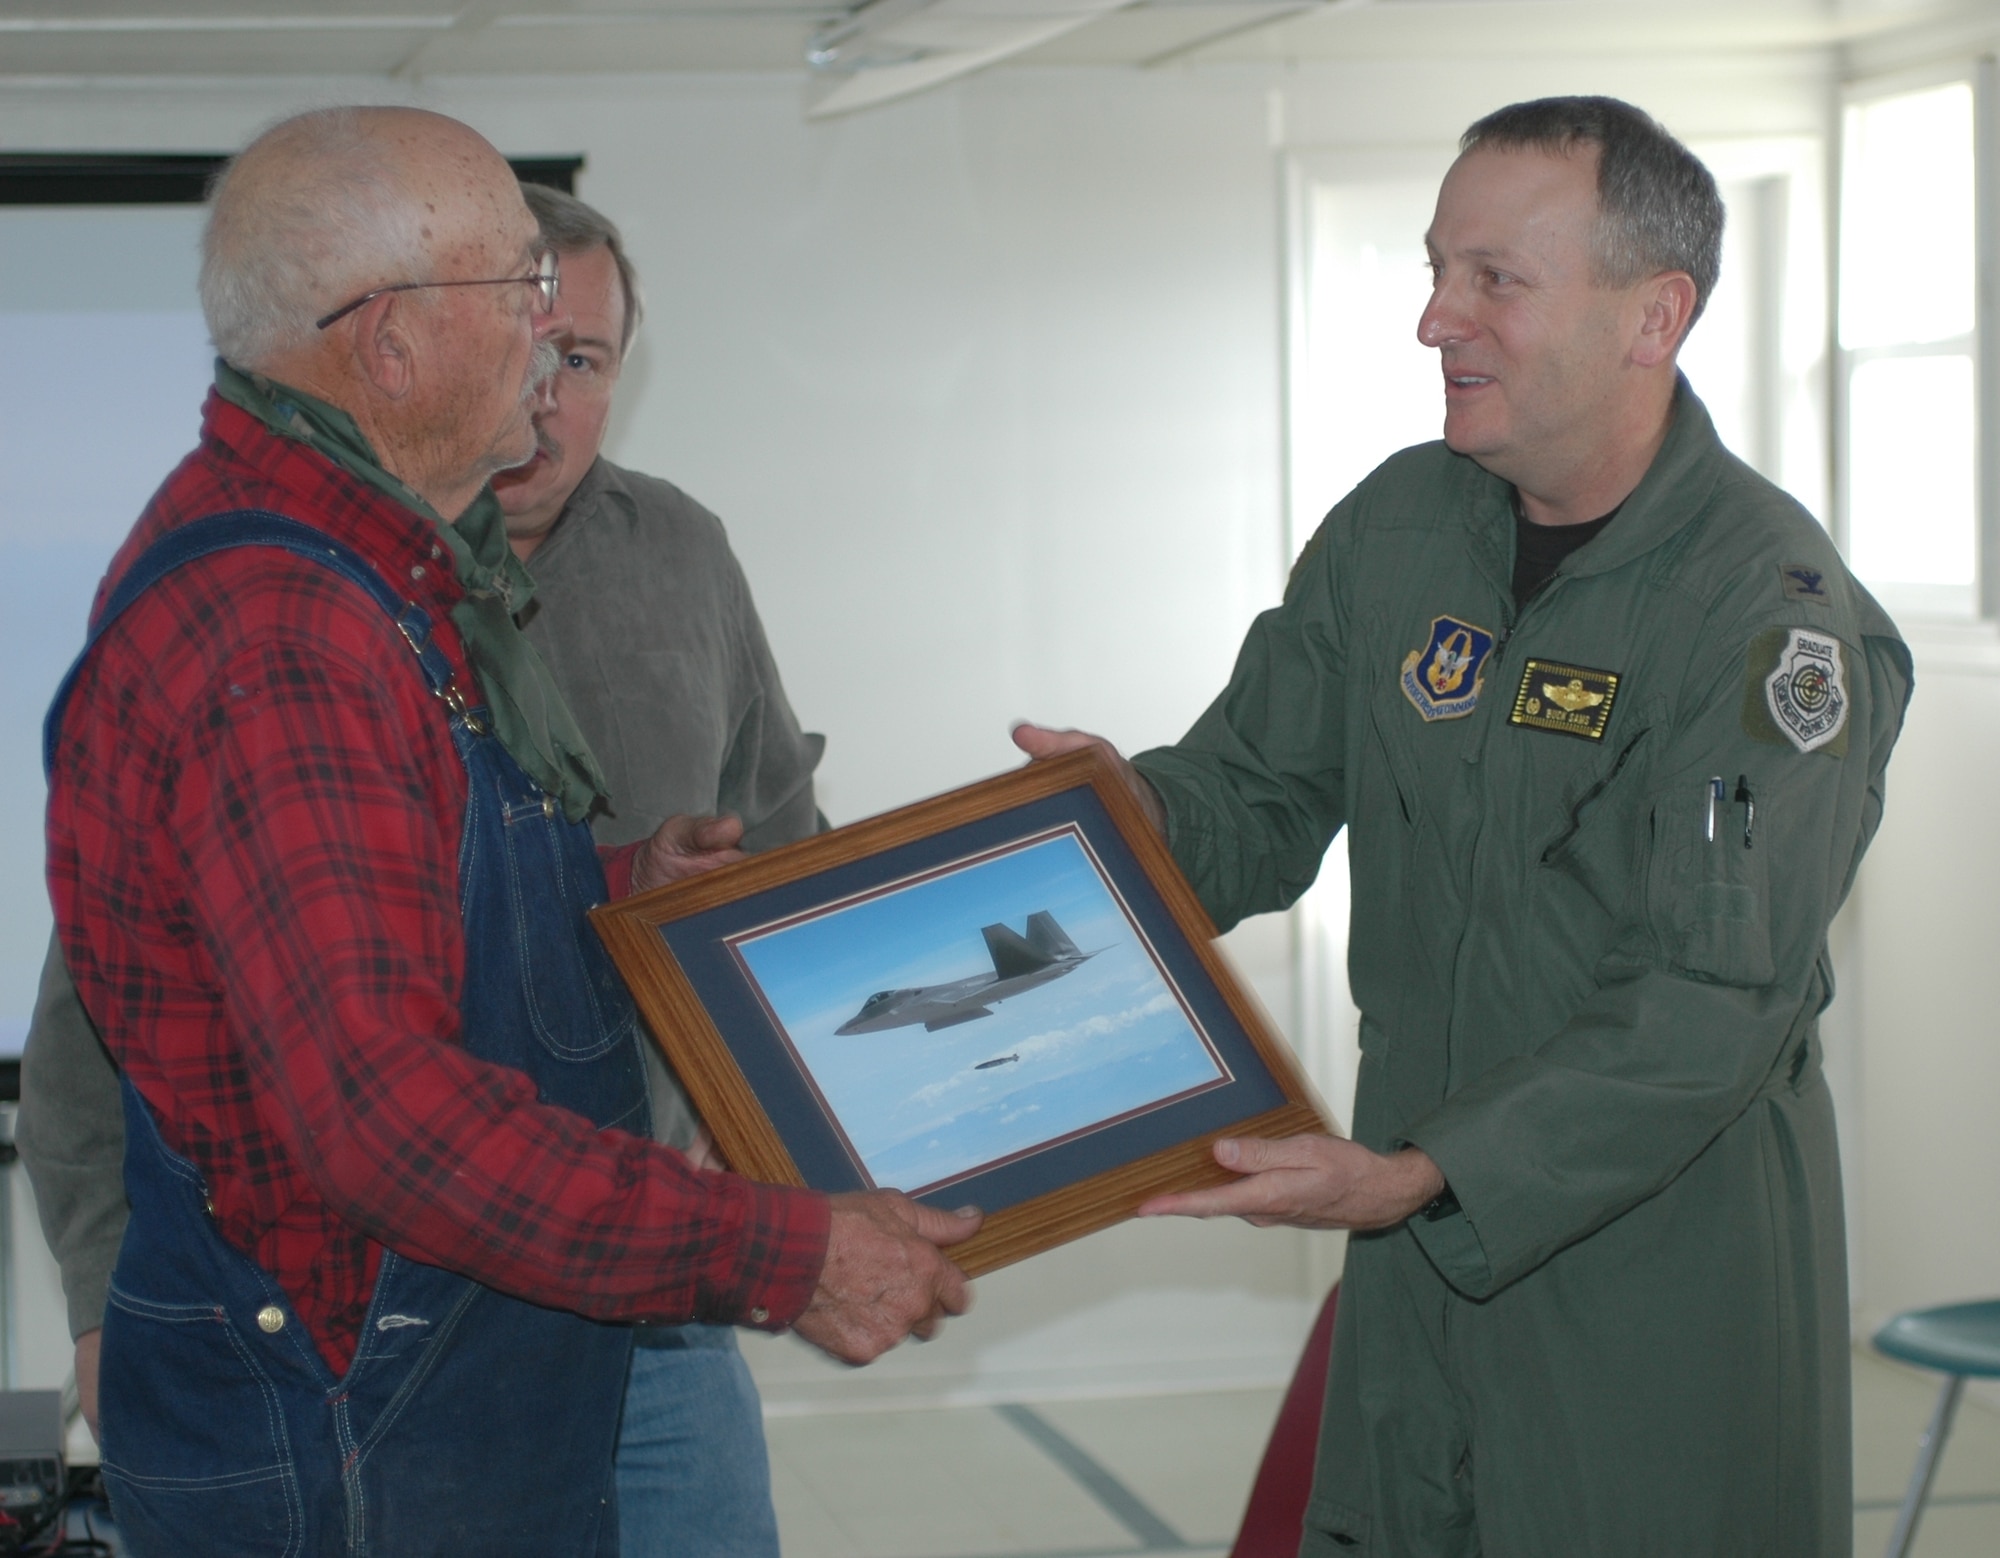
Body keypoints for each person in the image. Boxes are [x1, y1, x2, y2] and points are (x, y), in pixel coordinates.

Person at [39, 104, 976, 1557]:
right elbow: (386, 1115)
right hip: (359, 1423)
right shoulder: (287, 632)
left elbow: (418, 924)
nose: (549, 340)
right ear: (391, 341)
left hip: (439, 1374)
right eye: (518, 295)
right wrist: (781, 1252)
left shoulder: (368, 564)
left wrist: (618, 896)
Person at [1016, 96, 1909, 1556]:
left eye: (1495, 277)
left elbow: (1709, 1003)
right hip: (1416, 1253)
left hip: (1656, 1277)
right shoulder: (1400, 531)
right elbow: (1253, 794)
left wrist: (1431, 1172)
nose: (1438, 319)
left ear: (1653, 315)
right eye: (1437, 269)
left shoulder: (1767, 620)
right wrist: (1121, 814)